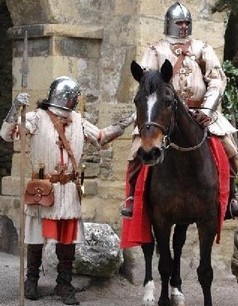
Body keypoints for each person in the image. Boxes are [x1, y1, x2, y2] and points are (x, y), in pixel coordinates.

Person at [0, 76, 134, 305]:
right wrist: (15, 108)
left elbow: (102, 137)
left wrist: (125, 123)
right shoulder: (36, 118)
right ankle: (31, 279)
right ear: (65, 97)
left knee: (67, 241)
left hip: (69, 189)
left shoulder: (78, 121)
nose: (75, 101)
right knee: (35, 237)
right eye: (73, 97)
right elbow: (8, 135)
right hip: (44, 187)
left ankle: (64, 282)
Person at [120, 1, 238, 218]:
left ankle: (231, 196)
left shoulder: (203, 48)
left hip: (201, 111)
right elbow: (147, 84)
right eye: (179, 23)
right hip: (162, 113)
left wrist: (209, 109)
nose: (183, 27)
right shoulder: (156, 50)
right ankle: (132, 198)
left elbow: (217, 80)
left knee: (230, 148)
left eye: (186, 23)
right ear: (169, 24)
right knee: (137, 150)